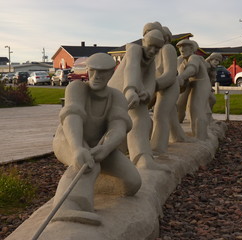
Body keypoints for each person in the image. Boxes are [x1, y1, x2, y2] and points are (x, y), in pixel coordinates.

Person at [52, 53, 141, 225]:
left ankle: (92, 181)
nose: (96, 76)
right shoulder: (77, 88)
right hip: (69, 139)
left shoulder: (116, 96)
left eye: (102, 72)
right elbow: (73, 115)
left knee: (132, 182)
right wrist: (77, 147)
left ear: (111, 73)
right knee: (85, 165)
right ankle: (66, 206)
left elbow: (118, 126)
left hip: (100, 146)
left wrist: (106, 148)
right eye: (92, 71)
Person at [108, 29, 169, 170]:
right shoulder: (134, 49)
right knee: (124, 122)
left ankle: (142, 158)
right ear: (143, 42)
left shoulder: (150, 60)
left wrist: (147, 93)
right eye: (150, 46)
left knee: (141, 120)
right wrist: (130, 89)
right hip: (118, 91)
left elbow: (150, 79)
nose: (153, 51)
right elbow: (132, 68)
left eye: (157, 48)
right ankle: (138, 158)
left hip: (135, 92)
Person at [143, 23, 187, 154]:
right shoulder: (151, 52)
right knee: (140, 113)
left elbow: (169, 74)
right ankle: (177, 136)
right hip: (155, 86)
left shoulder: (167, 49)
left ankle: (158, 147)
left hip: (169, 86)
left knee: (160, 115)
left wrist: (152, 85)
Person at [176, 39, 212, 140]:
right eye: (179, 47)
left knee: (197, 108)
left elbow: (192, 69)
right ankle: (197, 134)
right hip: (192, 83)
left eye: (184, 46)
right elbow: (180, 73)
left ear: (192, 48)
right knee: (189, 109)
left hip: (202, 82)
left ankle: (201, 136)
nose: (182, 49)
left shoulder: (194, 57)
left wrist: (181, 77)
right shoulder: (182, 60)